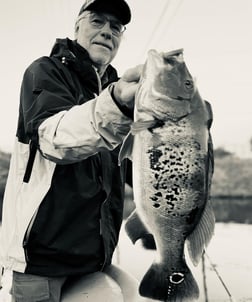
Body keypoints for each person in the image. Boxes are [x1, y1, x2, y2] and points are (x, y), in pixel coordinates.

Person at [0, 0, 147, 301]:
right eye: (97, 21)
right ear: (77, 25)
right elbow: (55, 139)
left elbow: (134, 167)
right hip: (39, 263)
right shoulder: (45, 71)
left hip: (93, 261)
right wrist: (116, 103)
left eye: (116, 27)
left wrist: (180, 131)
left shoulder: (116, 92)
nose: (107, 31)